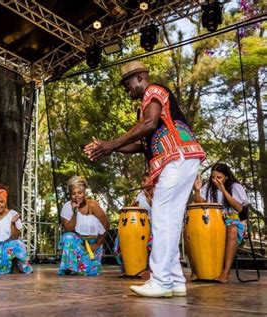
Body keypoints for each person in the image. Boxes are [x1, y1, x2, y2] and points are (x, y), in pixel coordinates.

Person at [84, 61, 206, 297]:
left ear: (140, 77)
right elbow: (141, 143)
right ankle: (174, 280)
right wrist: (109, 148)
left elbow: (149, 123)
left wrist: (112, 144)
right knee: (169, 219)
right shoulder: (146, 106)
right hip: (183, 158)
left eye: (127, 83)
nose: (125, 89)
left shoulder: (154, 91)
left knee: (161, 216)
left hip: (176, 156)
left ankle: (160, 280)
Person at [194, 163, 248, 283]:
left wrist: (223, 190)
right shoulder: (208, 187)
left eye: (219, 177)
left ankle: (226, 272)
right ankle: (198, 270)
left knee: (232, 230)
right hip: (213, 222)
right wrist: (197, 191)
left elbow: (239, 208)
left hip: (233, 220)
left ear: (226, 177)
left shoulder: (235, 187)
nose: (215, 180)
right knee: (193, 231)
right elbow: (200, 202)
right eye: (213, 177)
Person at [58, 176, 109, 276]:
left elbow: (106, 225)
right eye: (73, 193)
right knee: (68, 237)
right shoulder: (67, 207)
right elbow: (69, 229)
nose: (77, 196)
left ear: (84, 192)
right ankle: (71, 267)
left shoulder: (93, 205)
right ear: (70, 195)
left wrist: (97, 244)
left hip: (93, 244)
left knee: (91, 272)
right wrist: (75, 212)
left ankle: (84, 265)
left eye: (79, 193)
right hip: (78, 243)